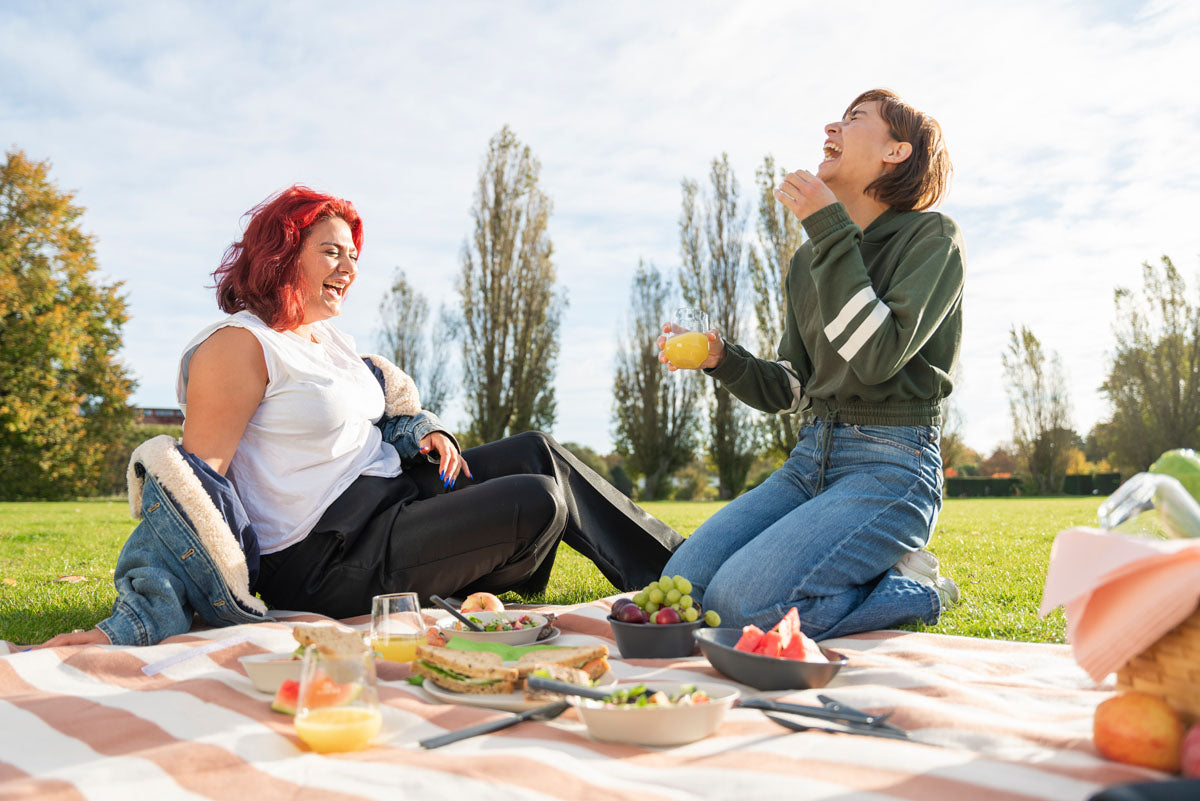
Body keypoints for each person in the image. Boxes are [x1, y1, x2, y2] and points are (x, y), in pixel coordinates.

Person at [39, 185, 682, 648]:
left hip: (392, 499)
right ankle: (461, 582)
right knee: (535, 500)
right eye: (331, 252)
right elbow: (190, 487)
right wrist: (134, 619)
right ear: (282, 253)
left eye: (352, 255)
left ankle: (681, 571)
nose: (349, 268)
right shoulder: (238, 345)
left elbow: (388, 411)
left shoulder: (330, 341)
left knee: (536, 451)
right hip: (323, 559)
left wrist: (424, 429)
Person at [659, 89, 963, 639]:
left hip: (892, 464)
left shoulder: (931, 238)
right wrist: (722, 358)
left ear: (896, 152)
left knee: (742, 606)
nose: (832, 127)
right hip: (809, 459)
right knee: (684, 585)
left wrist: (827, 227)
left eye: (855, 118)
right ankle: (870, 572)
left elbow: (875, 357)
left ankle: (915, 590)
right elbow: (794, 388)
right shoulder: (808, 260)